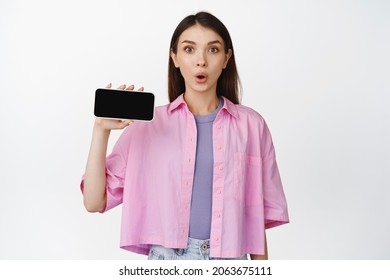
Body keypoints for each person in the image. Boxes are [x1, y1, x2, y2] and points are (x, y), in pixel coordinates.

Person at [81, 11, 289, 260]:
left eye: (213, 50)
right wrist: (100, 130)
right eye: (189, 50)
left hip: (229, 261)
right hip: (166, 259)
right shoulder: (148, 126)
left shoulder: (251, 126)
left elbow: (256, 221)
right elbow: (94, 202)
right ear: (175, 57)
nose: (201, 61)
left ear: (226, 58)